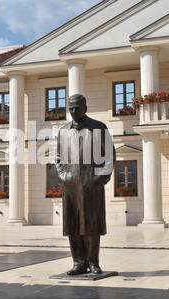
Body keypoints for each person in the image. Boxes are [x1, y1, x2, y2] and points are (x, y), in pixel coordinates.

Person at [56, 94, 115, 275]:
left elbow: (109, 157)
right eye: (70, 108)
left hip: (91, 186)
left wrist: (97, 180)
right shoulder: (63, 131)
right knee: (72, 226)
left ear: (85, 108)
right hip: (70, 186)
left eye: (77, 108)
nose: (73, 111)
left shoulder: (98, 128)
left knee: (91, 225)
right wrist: (63, 176)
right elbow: (58, 159)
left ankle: (93, 262)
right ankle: (78, 263)